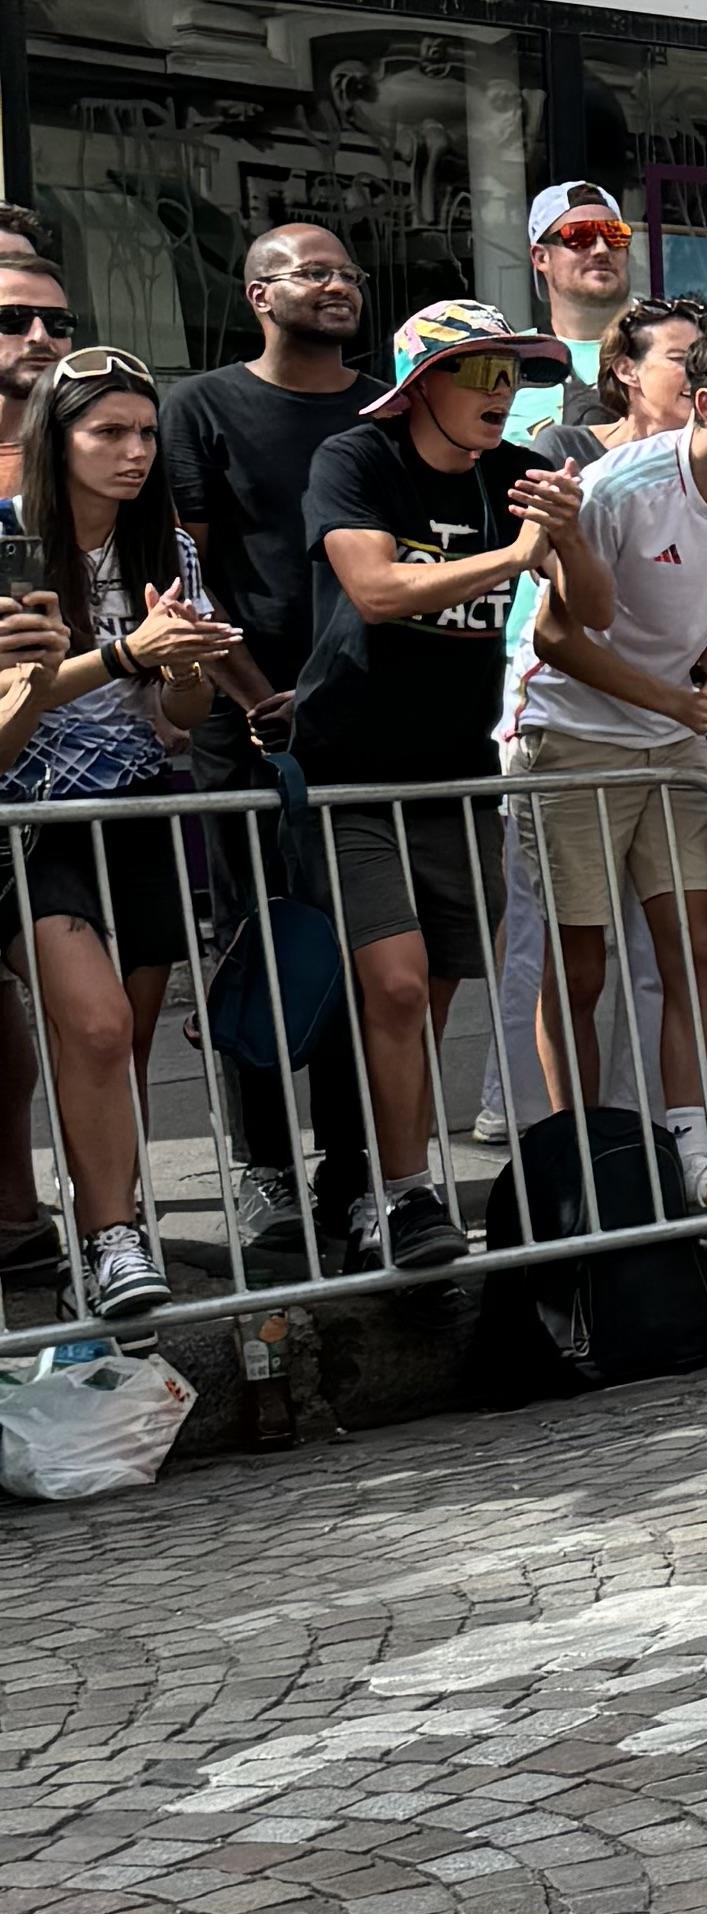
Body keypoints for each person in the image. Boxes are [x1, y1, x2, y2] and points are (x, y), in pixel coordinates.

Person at [298, 302, 599, 1270]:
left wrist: (571, 536)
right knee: (387, 983)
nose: (502, 392)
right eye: (478, 373)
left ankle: (404, 1186)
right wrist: (515, 556)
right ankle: (400, 1193)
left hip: (458, 772)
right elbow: (376, 591)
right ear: (422, 382)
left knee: (426, 996)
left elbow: (587, 613)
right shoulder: (356, 460)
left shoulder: (519, 477)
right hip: (351, 768)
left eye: (514, 374)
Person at [505, 322, 707, 1215]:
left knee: (694, 948)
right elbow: (555, 635)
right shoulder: (616, 486)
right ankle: (585, 1171)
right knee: (582, 964)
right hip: (568, 734)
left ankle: (694, 1156)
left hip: (671, 736)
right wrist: (674, 700)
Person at [10, 352, 237, 1316]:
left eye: (147, 433)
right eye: (108, 432)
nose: (135, 452)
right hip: (32, 817)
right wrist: (121, 653)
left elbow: (179, 719)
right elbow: (8, 719)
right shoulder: (10, 545)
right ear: (54, 440)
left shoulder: (167, 552)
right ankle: (105, 1239)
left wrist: (185, 666)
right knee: (93, 1024)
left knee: (123, 1043)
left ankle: (119, 1227)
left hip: (139, 807)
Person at [159, 223, 364, 1258]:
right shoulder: (199, 405)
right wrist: (254, 695)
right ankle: (264, 1168)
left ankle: (357, 1172)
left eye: (345, 273)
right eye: (311, 272)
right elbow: (189, 574)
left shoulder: (381, 407)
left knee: (363, 948)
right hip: (249, 727)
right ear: (257, 295)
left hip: (361, 720)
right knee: (256, 950)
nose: (335, 286)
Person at [506, 182, 635, 455]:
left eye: (615, 235)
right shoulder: (509, 363)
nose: (601, 249)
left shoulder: (669, 352)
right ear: (541, 257)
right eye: (579, 236)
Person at [550, 297, 707, 464]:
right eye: (679, 359)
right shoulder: (566, 447)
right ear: (626, 370)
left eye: (704, 360)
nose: (699, 372)